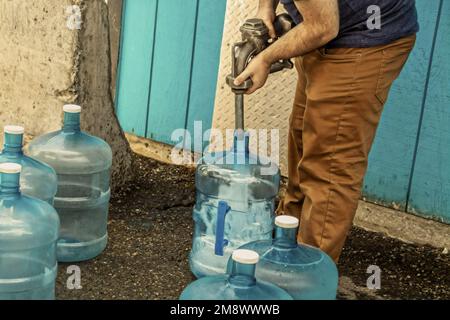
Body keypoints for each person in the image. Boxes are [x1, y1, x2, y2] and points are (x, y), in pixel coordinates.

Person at [234, 0, 419, 262]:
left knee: (329, 167)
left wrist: (267, 57)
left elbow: (323, 27)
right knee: (303, 141)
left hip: (362, 39)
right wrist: (266, 7)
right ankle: (285, 244)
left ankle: (308, 274)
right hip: (325, 31)